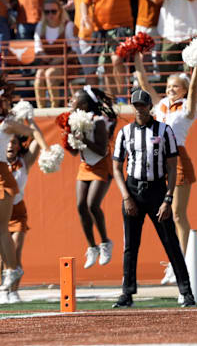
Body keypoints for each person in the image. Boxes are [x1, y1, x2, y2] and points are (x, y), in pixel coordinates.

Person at [111, 89, 196, 308]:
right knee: (130, 245)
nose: (139, 108)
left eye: (143, 104)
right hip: (132, 191)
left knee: (170, 243)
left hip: (157, 190)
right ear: (132, 107)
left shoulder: (164, 130)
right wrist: (125, 197)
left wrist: (168, 198)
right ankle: (127, 294)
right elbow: (117, 167)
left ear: (150, 107)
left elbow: (172, 166)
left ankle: (186, 292)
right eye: (136, 105)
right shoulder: (125, 132)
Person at [0, 73, 49, 292]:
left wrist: (46, 151)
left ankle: (13, 268)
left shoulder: (6, 125)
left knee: (1, 228)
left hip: (1, 178)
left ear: (1, 108)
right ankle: (11, 269)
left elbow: (31, 132)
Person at [134, 52, 197, 286]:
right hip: (158, 161)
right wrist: (136, 57)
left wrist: (196, 68)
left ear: (183, 89)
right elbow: (144, 83)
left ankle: (181, 263)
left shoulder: (186, 109)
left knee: (178, 214)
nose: (171, 89)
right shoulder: (160, 105)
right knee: (166, 216)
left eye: (176, 87)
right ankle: (175, 261)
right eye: (169, 86)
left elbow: (193, 93)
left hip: (178, 159)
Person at [64, 86, 117, 269]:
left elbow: (102, 150)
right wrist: (69, 141)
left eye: (74, 99)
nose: (71, 102)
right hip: (85, 165)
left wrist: (83, 140)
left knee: (92, 204)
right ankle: (91, 247)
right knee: (80, 206)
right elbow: (73, 152)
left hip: (101, 165)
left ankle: (105, 243)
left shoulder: (99, 121)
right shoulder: (72, 120)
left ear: (85, 104)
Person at [81, 0, 133, 100]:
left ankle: (124, 97)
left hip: (121, 27)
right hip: (100, 30)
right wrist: (85, 18)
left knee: (117, 60)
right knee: (106, 66)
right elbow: (85, 2)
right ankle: (113, 98)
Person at [0, 132, 40, 304]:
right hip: (0, 211)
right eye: (7, 142)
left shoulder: (24, 162)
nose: (10, 145)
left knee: (15, 252)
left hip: (18, 211)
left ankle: (14, 291)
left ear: (18, 145)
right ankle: (3, 290)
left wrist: (26, 122)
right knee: (2, 256)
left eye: (14, 142)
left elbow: (38, 140)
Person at [33, 0, 78, 108]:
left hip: (67, 63)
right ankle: (41, 109)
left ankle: (54, 108)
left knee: (50, 74)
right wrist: (43, 55)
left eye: (53, 11)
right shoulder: (40, 26)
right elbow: (37, 48)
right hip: (48, 63)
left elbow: (75, 50)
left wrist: (61, 59)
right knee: (39, 76)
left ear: (60, 11)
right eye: (47, 12)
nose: (50, 15)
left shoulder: (68, 26)